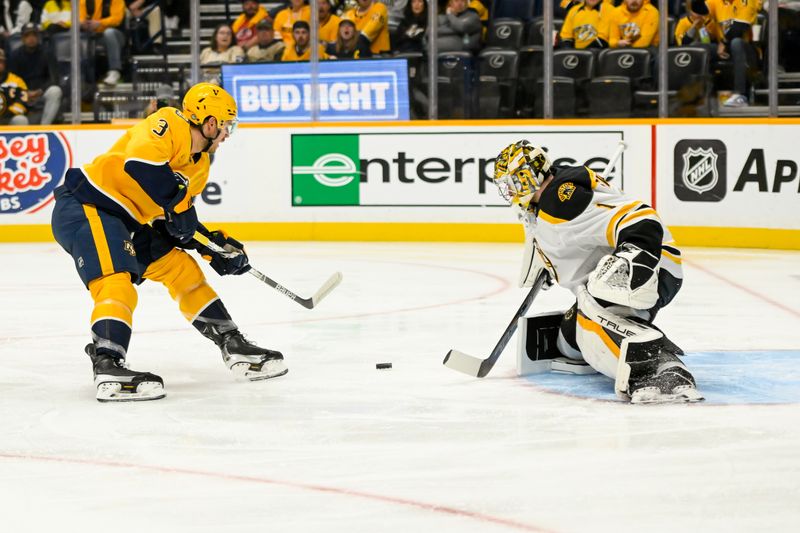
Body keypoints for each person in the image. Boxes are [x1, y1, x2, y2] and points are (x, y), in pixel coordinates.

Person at [50, 83, 288, 403]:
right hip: (89, 205)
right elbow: (141, 165)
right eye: (227, 125)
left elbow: (176, 224)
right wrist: (181, 210)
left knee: (182, 269)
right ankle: (108, 363)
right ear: (210, 122)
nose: (228, 134)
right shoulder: (169, 122)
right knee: (115, 281)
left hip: (129, 223)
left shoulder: (199, 167)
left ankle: (232, 344)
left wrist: (213, 246)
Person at [492, 140, 702, 404]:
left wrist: (633, 259)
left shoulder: (560, 199)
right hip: (610, 280)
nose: (508, 192)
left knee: (589, 333)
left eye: (511, 183)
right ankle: (620, 331)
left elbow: (642, 220)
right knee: (568, 341)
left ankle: (661, 368)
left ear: (528, 177)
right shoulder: (547, 202)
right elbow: (572, 236)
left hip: (651, 268)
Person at [707, 0, 763, 107]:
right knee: (702, 49)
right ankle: (697, 96)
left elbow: (740, 26)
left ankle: (740, 95)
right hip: (724, 48)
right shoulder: (715, 2)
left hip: (747, 48)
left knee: (736, 42)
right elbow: (699, 10)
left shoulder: (746, 1)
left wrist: (723, 43)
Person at [8, 22, 62, 125]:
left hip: (42, 93)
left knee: (55, 91)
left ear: (38, 37)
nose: (31, 38)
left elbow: (54, 79)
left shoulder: (47, 53)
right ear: (22, 38)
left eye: (34, 35)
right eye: (27, 35)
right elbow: (11, 81)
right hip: (22, 96)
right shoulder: (15, 56)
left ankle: (44, 128)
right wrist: (24, 93)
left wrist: (39, 91)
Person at [80, 0, 127, 87]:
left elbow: (117, 19)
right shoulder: (83, 1)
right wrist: (83, 24)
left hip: (116, 35)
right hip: (94, 36)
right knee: (79, 37)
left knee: (109, 32)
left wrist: (100, 23)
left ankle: (114, 71)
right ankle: (81, 76)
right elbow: (80, 18)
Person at [0, 47, 29, 125]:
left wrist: (8, 113)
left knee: (21, 119)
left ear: (4, 63)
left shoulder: (17, 81)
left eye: (0, 62)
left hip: (8, 118)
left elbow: (23, 102)